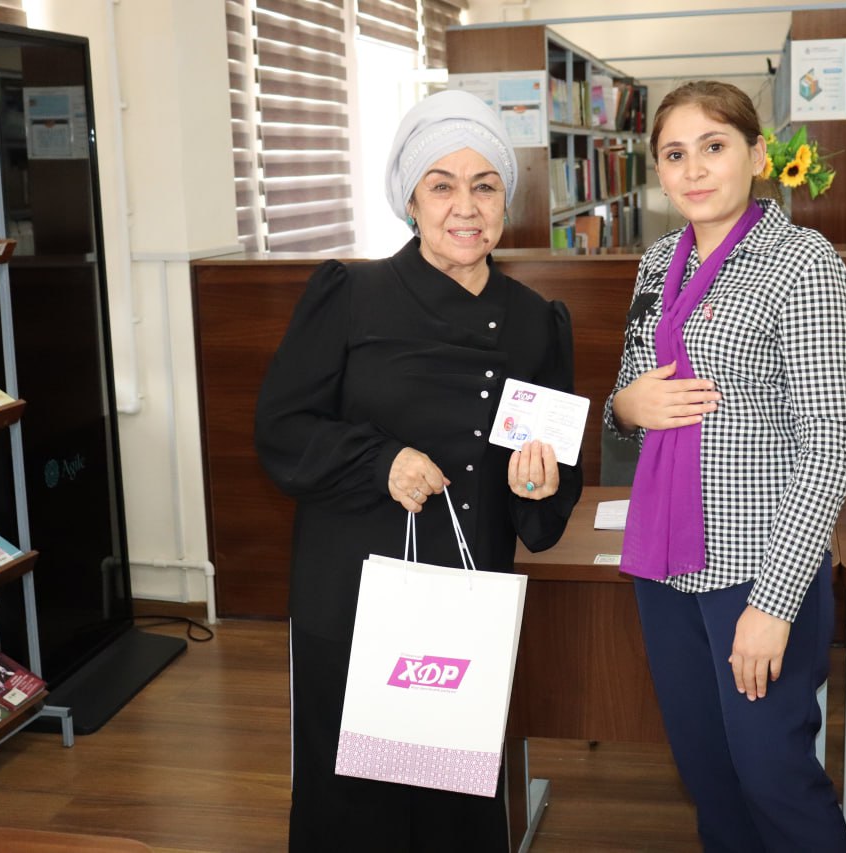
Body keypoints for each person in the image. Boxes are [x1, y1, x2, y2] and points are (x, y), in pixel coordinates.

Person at [255, 89, 582, 852]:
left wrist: (538, 486)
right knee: (353, 798)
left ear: (506, 200)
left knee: (453, 792)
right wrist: (381, 459)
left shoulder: (535, 322)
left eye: (485, 185)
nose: (465, 207)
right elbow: (282, 430)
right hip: (353, 586)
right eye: (442, 186)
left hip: (465, 593)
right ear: (410, 199)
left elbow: (549, 486)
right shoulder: (350, 295)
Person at [604, 80, 846, 852]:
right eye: (674, 154)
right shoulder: (658, 261)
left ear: (755, 155)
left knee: (773, 777)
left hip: (756, 566)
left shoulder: (803, 262)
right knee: (708, 774)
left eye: (713, 147)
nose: (693, 169)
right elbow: (631, 393)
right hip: (664, 558)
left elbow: (831, 440)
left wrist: (774, 603)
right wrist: (625, 406)